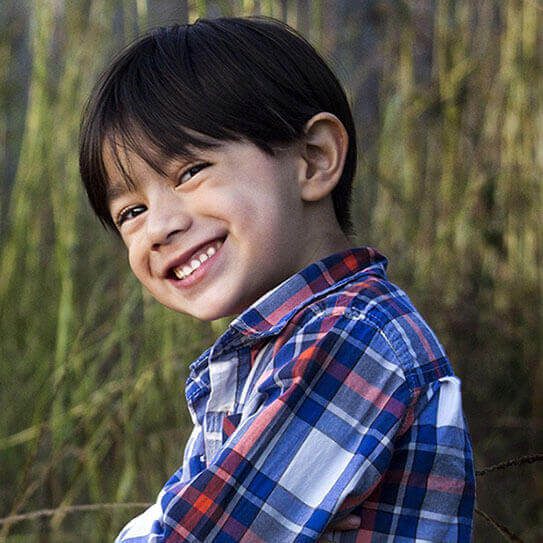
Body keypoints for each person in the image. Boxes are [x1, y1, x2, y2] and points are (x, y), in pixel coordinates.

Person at [79, 16, 475, 542]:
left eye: (191, 171)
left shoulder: (351, 337)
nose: (160, 226)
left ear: (314, 159)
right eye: (130, 212)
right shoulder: (269, 351)